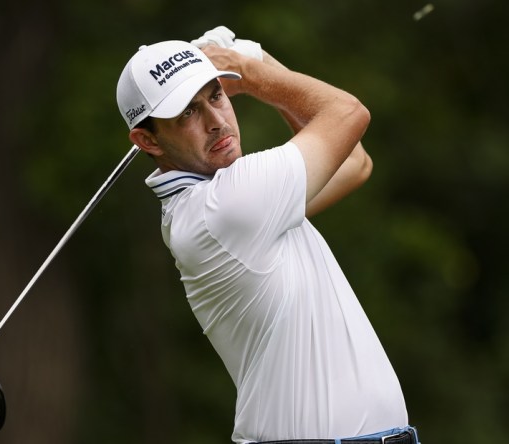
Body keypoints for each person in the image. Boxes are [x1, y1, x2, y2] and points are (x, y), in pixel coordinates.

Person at [116, 26, 419, 444]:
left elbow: (354, 161)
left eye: (216, 95)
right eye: (187, 112)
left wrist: (255, 61)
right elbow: (349, 114)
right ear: (147, 139)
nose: (216, 121)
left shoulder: (228, 203)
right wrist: (249, 69)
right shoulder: (225, 206)